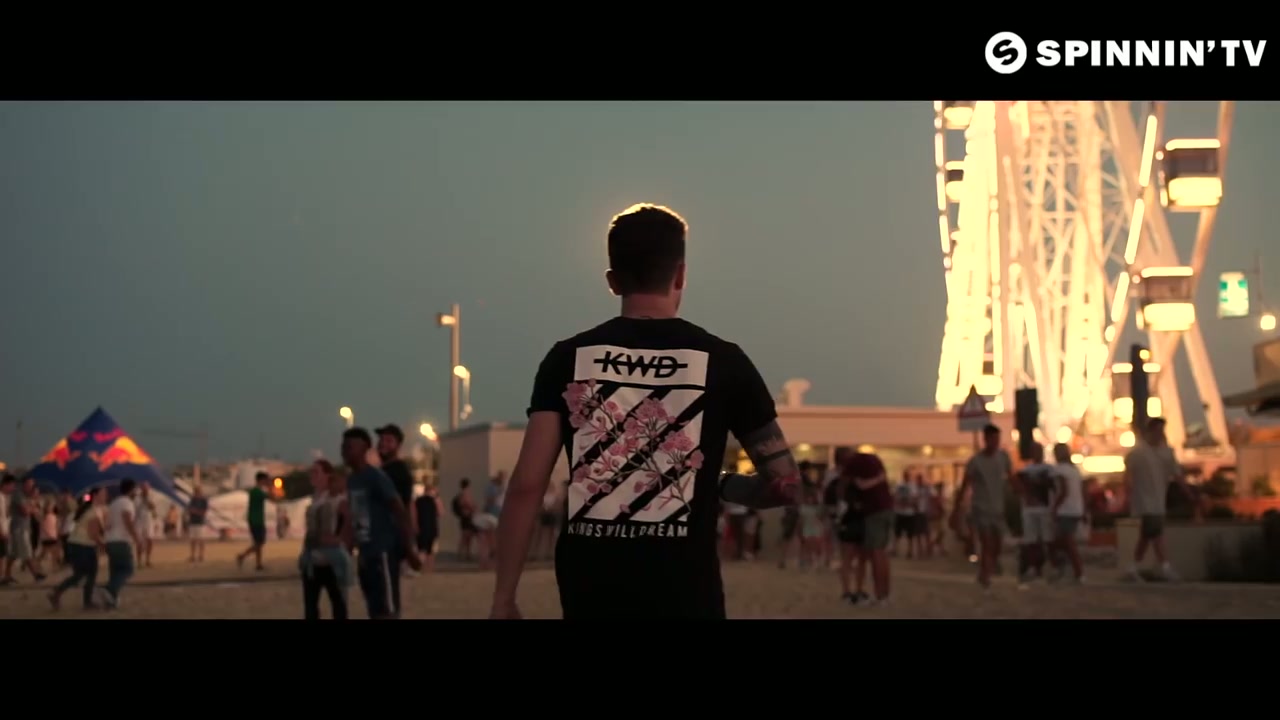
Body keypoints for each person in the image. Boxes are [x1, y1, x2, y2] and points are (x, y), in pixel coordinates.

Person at [488, 204, 800, 620]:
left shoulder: (567, 358)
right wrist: (720, 484)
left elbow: (528, 485)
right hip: (685, 589)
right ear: (681, 275)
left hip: (591, 586)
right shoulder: (725, 361)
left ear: (612, 281)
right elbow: (785, 485)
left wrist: (504, 598)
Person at [341, 427, 421, 619]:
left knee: (388, 609)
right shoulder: (353, 480)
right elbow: (354, 515)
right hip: (365, 553)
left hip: (382, 552)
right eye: (343, 447)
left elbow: (400, 510)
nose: (344, 451)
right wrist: (348, 548)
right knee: (374, 608)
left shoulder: (377, 477)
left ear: (363, 449)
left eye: (349, 447)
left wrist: (410, 549)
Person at [1124, 417, 1186, 581]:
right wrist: (1127, 494)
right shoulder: (1138, 453)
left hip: (1158, 500)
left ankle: (1133, 567)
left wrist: (1189, 493)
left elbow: (1176, 474)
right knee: (1155, 533)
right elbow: (1128, 476)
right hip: (1145, 501)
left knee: (1147, 535)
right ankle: (1164, 567)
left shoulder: (1165, 452)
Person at [952, 424, 1012, 592]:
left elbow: (1011, 477)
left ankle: (989, 568)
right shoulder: (975, 462)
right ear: (986, 439)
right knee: (986, 543)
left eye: (998, 439)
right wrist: (957, 509)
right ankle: (985, 576)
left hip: (998, 509)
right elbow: (965, 485)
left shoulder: (1003, 457)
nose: (995, 443)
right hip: (981, 509)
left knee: (997, 544)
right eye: (993, 439)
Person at [299, 459, 351, 620]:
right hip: (312, 558)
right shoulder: (314, 499)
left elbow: (350, 519)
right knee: (310, 606)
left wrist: (340, 539)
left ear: (327, 475)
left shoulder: (336, 498)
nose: (312, 475)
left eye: (316, 472)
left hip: (331, 560)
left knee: (338, 604)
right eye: (311, 472)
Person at [842, 452, 895, 606]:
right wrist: (879, 479)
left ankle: (880, 596)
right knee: (883, 555)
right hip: (887, 509)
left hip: (873, 512)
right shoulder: (874, 460)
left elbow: (858, 485)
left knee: (876, 554)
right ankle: (885, 594)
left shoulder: (853, 464)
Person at [48, 487, 107, 611]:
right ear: (95, 495)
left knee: (79, 575)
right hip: (84, 546)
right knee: (90, 574)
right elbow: (93, 534)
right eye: (103, 493)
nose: (105, 496)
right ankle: (87, 602)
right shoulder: (92, 512)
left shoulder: (86, 509)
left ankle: (57, 592)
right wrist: (103, 545)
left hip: (75, 544)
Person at [376, 424, 417, 574]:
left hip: (389, 538)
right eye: (381, 440)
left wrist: (408, 544)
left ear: (398, 445)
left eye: (389, 441)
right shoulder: (382, 471)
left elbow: (402, 507)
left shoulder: (398, 471)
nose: (383, 444)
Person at [1015, 442, 1055, 587]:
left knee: (1048, 539)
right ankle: (1033, 567)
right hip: (1030, 509)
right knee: (1031, 540)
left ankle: (1050, 565)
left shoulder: (1049, 469)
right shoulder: (1026, 470)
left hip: (1044, 508)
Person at [102, 479, 142, 609]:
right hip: (121, 541)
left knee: (115, 572)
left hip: (110, 540)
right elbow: (127, 520)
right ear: (131, 489)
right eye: (135, 489)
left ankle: (111, 599)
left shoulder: (114, 503)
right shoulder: (127, 503)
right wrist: (137, 539)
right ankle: (109, 589)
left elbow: (107, 524)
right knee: (127, 569)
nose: (136, 492)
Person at [1049, 443, 1086, 584]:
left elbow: (1063, 491)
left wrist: (1055, 507)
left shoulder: (1060, 470)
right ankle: (1065, 570)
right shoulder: (1074, 470)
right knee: (1062, 542)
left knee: (1068, 543)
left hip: (1065, 510)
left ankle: (1078, 572)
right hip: (1076, 508)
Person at [5, 477, 46, 583]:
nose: (30, 487)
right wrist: (32, 508)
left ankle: (7, 575)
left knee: (13, 553)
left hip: (22, 527)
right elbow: (25, 511)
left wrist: (32, 506)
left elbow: (36, 512)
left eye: (32, 485)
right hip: (19, 528)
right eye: (28, 485)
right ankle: (36, 574)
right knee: (27, 551)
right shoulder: (18, 495)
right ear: (23, 484)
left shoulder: (26, 496)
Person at [236, 472, 271, 571]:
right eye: (266, 480)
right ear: (261, 480)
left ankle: (258, 564)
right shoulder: (258, 492)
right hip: (257, 520)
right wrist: (270, 487)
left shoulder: (254, 491)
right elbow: (272, 497)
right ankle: (242, 556)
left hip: (255, 519)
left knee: (258, 543)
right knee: (259, 543)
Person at [413, 484, 443, 572]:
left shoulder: (418, 501)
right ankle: (429, 568)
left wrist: (415, 526)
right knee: (430, 550)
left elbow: (414, 514)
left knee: (422, 549)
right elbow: (440, 512)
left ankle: (421, 567)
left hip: (421, 527)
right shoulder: (434, 500)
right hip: (431, 528)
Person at [892, 471, 918, 558]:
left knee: (910, 534)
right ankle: (895, 549)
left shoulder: (913, 485)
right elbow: (894, 495)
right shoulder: (899, 484)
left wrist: (910, 504)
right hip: (899, 512)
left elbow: (915, 497)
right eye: (905, 475)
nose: (906, 476)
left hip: (909, 513)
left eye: (907, 475)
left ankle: (909, 551)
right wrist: (898, 503)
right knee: (897, 532)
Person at [451, 479, 477, 561]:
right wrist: (473, 508)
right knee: (465, 536)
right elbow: (466, 503)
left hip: (466, 516)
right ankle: (461, 554)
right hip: (467, 516)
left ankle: (467, 554)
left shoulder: (462, 493)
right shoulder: (465, 494)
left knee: (468, 536)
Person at [134, 482, 156, 569]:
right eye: (144, 488)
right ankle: (139, 561)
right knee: (139, 541)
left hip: (149, 521)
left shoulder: (151, 496)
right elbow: (135, 509)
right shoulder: (137, 498)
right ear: (141, 488)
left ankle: (148, 560)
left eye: (147, 488)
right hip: (139, 521)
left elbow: (152, 507)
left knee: (150, 540)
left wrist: (147, 499)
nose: (145, 490)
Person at [186, 484, 209, 562]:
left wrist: (195, 511)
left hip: (200, 522)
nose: (196, 493)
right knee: (192, 540)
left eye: (197, 491)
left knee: (201, 539)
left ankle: (201, 555)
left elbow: (203, 512)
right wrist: (193, 511)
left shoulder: (203, 500)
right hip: (192, 522)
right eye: (195, 491)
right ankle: (192, 556)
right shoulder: (192, 500)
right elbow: (189, 509)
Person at [0, 474, 12, 584]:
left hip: (4, 530)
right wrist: (2, 531)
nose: (12, 488)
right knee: (2, 555)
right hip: (1, 531)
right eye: (11, 485)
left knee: (3, 555)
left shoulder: (4, 498)